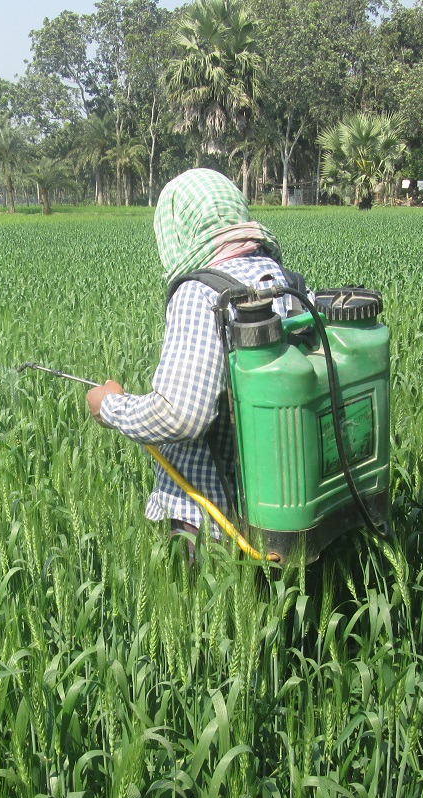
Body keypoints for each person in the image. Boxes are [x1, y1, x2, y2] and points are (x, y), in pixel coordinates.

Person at [86, 168, 300, 544]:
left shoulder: (202, 293)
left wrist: (110, 406)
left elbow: (181, 415)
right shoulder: (285, 280)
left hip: (213, 525)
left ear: (178, 230)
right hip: (281, 505)